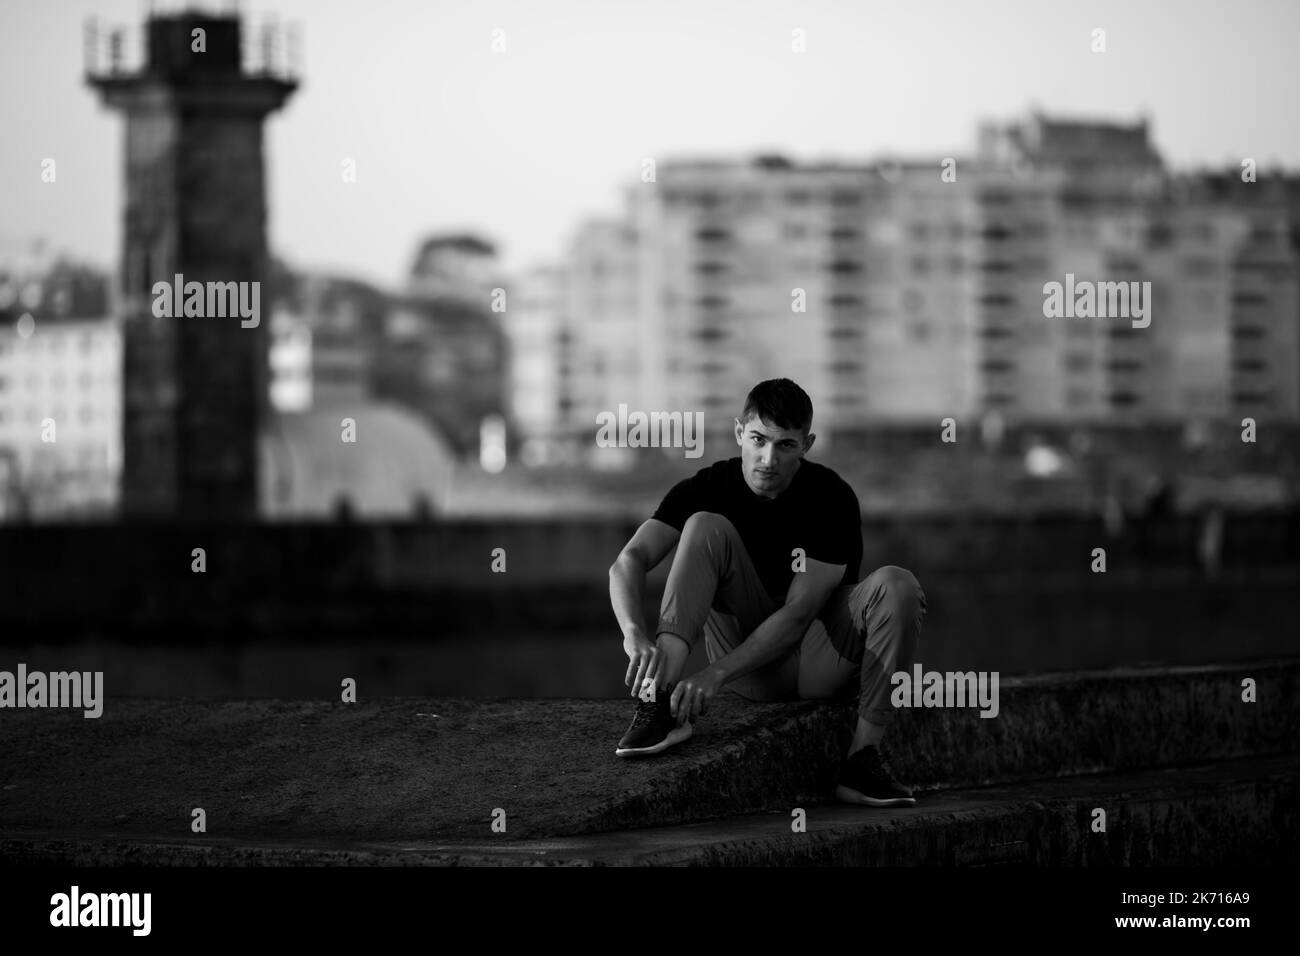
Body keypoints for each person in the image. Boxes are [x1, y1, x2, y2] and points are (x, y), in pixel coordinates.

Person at [607, 378, 927, 806]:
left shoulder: (831, 497)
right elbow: (629, 560)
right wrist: (633, 634)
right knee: (704, 524)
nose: (768, 458)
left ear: (807, 444)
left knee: (898, 584)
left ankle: (862, 761)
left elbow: (798, 616)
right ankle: (660, 700)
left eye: (786, 445)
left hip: (818, 664)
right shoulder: (708, 487)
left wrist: (713, 675)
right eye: (758, 439)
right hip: (751, 669)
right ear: (740, 432)